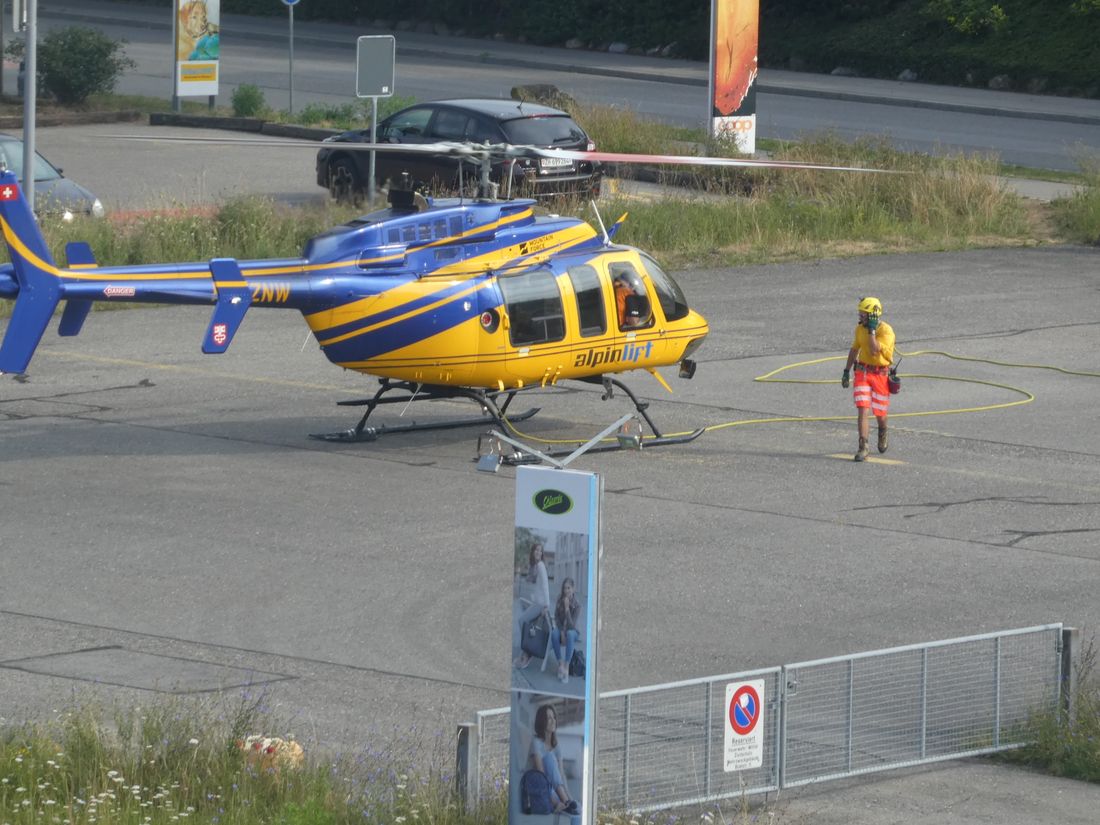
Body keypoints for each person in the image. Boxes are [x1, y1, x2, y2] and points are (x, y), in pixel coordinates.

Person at [841, 296, 896, 462]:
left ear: (873, 315)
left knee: (880, 413)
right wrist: (846, 370)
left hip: (880, 374)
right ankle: (863, 446)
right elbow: (854, 350)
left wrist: (872, 331)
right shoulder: (859, 330)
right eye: (860, 314)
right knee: (863, 408)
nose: (860, 317)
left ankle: (882, 430)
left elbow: (873, 350)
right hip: (863, 373)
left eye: (863, 314)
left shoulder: (886, 331)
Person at [530, 705, 579, 816]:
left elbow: (561, 775)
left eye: (554, 717)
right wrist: (555, 800)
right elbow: (540, 775)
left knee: (577, 806)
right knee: (549, 758)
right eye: (549, 718)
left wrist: (570, 797)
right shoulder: (536, 742)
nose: (553, 721)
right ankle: (564, 802)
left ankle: (566, 802)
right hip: (540, 790)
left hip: (554, 791)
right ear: (542, 722)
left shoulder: (556, 746)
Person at [514, 542, 550, 669]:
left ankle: (527, 652)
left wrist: (547, 605)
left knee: (522, 620)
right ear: (533, 552)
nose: (538, 552)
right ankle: (526, 651)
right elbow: (538, 586)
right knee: (526, 623)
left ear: (542, 553)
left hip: (541, 604)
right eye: (536, 550)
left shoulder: (540, 565)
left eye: (540, 551)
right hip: (537, 602)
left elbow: (545, 585)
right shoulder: (535, 566)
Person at [551, 578, 581, 684]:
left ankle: (567, 668)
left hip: (573, 632)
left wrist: (567, 608)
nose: (566, 591)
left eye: (568, 588)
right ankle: (561, 665)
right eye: (564, 588)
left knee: (570, 634)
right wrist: (561, 632)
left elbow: (572, 625)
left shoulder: (577, 605)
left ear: (573, 589)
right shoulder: (560, 599)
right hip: (562, 630)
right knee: (554, 633)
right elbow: (556, 617)